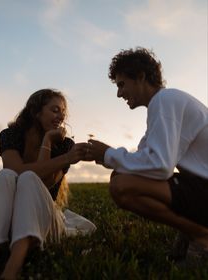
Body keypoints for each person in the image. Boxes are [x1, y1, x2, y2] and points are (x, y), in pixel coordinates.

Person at [86, 47, 208, 257]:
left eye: (122, 84)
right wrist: (103, 156)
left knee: (122, 185)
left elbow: (160, 165)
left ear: (141, 77)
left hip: (203, 188)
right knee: (120, 176)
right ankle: (194, 229)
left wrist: (107, 154)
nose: (119, 94)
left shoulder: (165, 100)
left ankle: (200, 236)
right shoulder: (162, 105)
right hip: (199, 186)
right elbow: (143, 157)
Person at [0, 88, 96, 279]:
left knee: (29, 178)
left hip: (44, 221)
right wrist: (65, 158)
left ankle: (12, 268)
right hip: (11, 220)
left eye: (63, 112)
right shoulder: (10, 135)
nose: (61, 116)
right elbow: (15, 170)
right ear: (36, 111)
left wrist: (49, 142)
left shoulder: (65, 145)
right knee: (6, 175)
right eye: (55, 110)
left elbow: (42, 183)